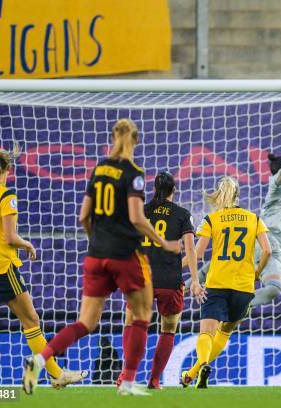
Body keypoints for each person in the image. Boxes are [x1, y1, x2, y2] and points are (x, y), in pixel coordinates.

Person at [22, 119, 181, 396]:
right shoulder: (134, 173)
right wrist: (163, 243)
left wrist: (96, 239)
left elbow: (84, 215)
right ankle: (128, 382)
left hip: (96, 255)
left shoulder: (99, 169)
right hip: (126, 254)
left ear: (112, 137)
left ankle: (40, 359)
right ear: (135, 140)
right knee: (142, 314)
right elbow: (136, 217)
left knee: (85, 322)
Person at [0, 147, 86, 389]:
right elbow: (11, 237)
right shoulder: (6, 195)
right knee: (31, 320)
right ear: (8, 169)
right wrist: (27, 244)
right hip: (2, 267)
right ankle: (56, 375)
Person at [189, 98, 281, 307]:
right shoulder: (277, 185)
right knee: (221, 264)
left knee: (273, 290)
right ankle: (185, 286)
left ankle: (240, 305)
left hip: (276, 246)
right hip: (261, 238)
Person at [180, 176, 272, 389]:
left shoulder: (212, 219)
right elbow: (268, 250)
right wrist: (257, 273)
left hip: (217, 284)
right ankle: (191, 374)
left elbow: (199, 253)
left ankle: (201, 366)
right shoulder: (254, 219)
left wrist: (174, 268)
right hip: (244, 287)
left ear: (219, 196)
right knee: (225, 332)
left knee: (206, 332)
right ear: (238, 195)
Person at [126, 171, 205, 389]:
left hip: (142, 279)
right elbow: (191, 251)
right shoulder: (182, 214)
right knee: (168, 328)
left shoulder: (141, 211)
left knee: (132, 323)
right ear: (174, 190)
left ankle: (126, 376)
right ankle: (154, 380)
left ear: (154, 189)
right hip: (170, 281)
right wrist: (195, 281)